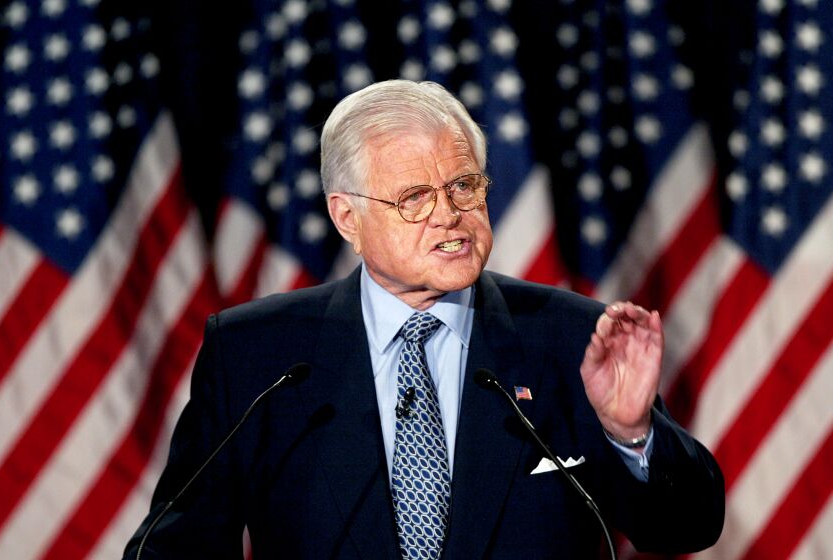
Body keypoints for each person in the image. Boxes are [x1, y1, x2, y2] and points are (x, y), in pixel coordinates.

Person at [124, 80, 724, 559]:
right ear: (346, 217)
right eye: (413, 198)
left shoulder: (569, 338)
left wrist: (630, 435)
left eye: (464, 186)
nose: (449, 215)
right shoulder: (257, 355)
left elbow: (685, 528)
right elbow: (173, 546)